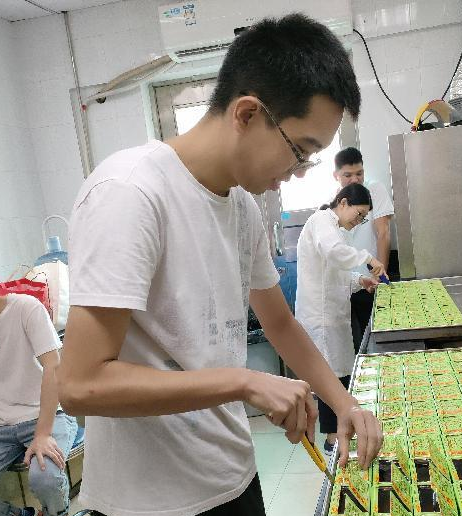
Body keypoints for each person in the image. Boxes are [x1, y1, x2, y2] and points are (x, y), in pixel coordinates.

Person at [57, 14, 382, 517]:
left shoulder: (241, 206)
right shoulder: (130, 192)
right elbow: (81, 385)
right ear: (247, 114)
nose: (297, 173)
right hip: (150, 504)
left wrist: (345, 403)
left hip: (234, 477)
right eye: (300, 151)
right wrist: (245, 381)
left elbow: (279, 324)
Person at [295, 184, 386, 454]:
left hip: (333, 316)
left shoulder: (336, 230)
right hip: (320, 317)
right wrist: (369, 258)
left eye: (363, 218)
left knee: (340, 373)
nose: (358, 221)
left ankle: (343, 428)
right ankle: (331, 438)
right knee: (328, 376)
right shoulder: (321, 221)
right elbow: (334, 253)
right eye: (359, 215)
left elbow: (336, 274)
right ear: (343, 202)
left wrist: (360, 280)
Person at [0, 293, 79, 517]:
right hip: (3, 424)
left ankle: (57, 513)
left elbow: (53, 365)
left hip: (47, 414)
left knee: (45, 478)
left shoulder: (25, 308)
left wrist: (43, 434)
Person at [333, 148, 395, 351]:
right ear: (336, 176)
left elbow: (383, 233)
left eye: (359, 173)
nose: (355, 180)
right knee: (359, 340)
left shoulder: (374, 189)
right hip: (349, 282)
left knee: (380, 337)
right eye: (348, 175)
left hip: (372, 279)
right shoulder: (334, 202)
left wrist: (381, 274)